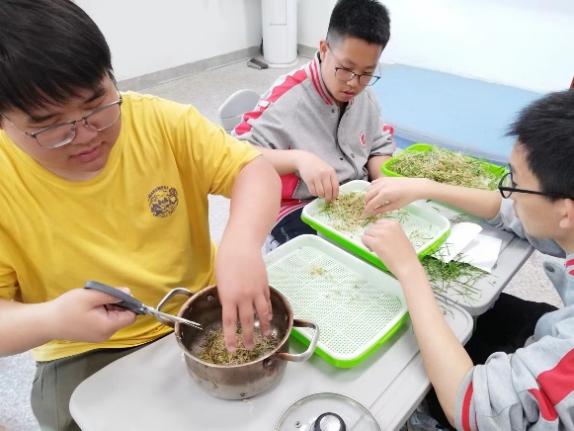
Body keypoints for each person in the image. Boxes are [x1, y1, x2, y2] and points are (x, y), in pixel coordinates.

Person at [0, 0, 280, 428]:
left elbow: (254, 171)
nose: (86, 135)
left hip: (199, 304)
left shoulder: (159, 121)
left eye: (97, 103)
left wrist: (241, 244)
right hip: (85, 343)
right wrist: (51, 318)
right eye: (52, 125)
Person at [362, 90, 574, 430]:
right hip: (552, 328)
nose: (509, 192)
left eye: (517, 183)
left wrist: (408, 269)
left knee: (417, 372)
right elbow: (506, 210)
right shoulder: (564, 219)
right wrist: (425, 187)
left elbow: (472, 406)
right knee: (476, 315)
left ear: (565, 211)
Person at [233, 0, 395, 247]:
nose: (354, 83)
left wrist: (384, 183)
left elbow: (379, 146)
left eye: (366, 73)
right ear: (324, 49)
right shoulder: (288, 99)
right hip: (298, 207)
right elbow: (235, 153)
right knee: (318, 264)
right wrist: (299, 159)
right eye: (346, 68)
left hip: (354, 196)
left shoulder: (366, 96)